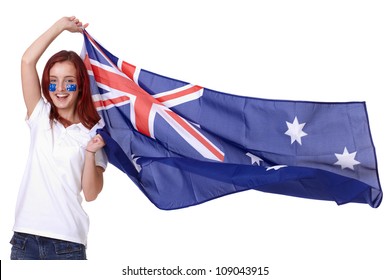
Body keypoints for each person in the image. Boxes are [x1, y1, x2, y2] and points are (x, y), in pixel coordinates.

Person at [10, 16, 107, 260]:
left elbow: (91, 193)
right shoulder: (40, 116)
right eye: (53, 82)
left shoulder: (93, 132)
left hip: (67, 244)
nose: (60, 89)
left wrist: (90, 152)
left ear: (81, 86)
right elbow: (27, 60)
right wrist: (61, 26)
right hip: (24, 240)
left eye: (68, 82)